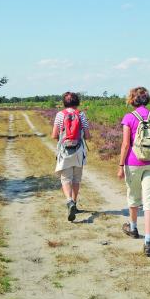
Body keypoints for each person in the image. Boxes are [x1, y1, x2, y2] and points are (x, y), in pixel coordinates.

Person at [117, 87, 150, 256]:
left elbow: (125, 145)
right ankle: (148, 241)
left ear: (132, 99)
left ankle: (133, 227)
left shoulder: (129, 118)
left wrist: (121, 165)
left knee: (133, 196)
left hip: (134, 162)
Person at [52, 91, 91, 222]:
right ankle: (74, 202)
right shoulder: (81, 114)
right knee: (76, 178)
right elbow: (87, 135)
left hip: (64, 152)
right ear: (77, 102)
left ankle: (69, 202)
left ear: (64, 102)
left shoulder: (59, 115)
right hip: (79, 151)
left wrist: (63, 139)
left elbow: (54, 135)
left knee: (66, 178)